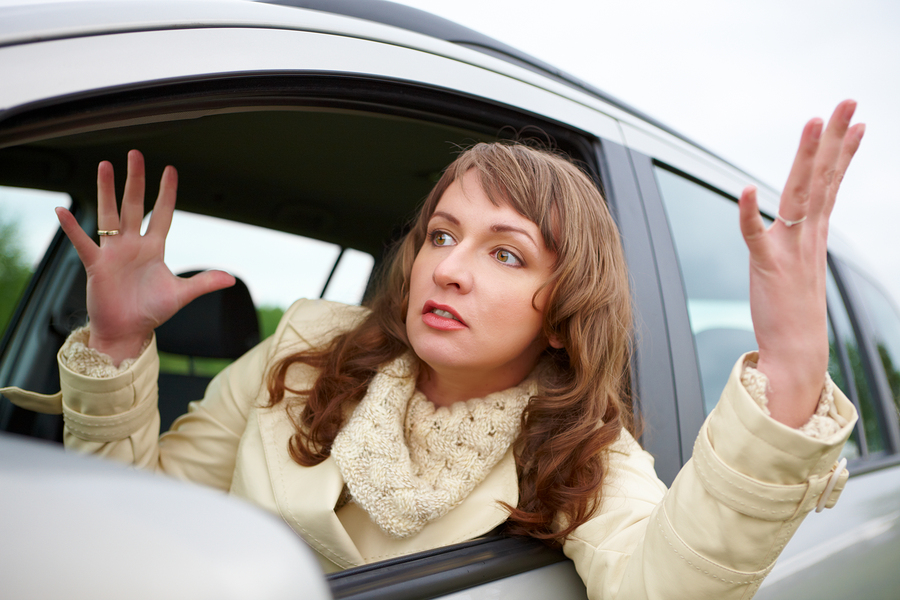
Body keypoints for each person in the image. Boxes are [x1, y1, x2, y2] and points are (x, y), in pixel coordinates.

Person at [5, 101, 863, 599]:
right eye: (441, 233)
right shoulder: (298, 354)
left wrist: (789, 371)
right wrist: (117, 344)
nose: (447, 268)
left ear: (564, 314)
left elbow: (669, 588)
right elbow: (132, 522)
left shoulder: (583, 457)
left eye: (505, 252)